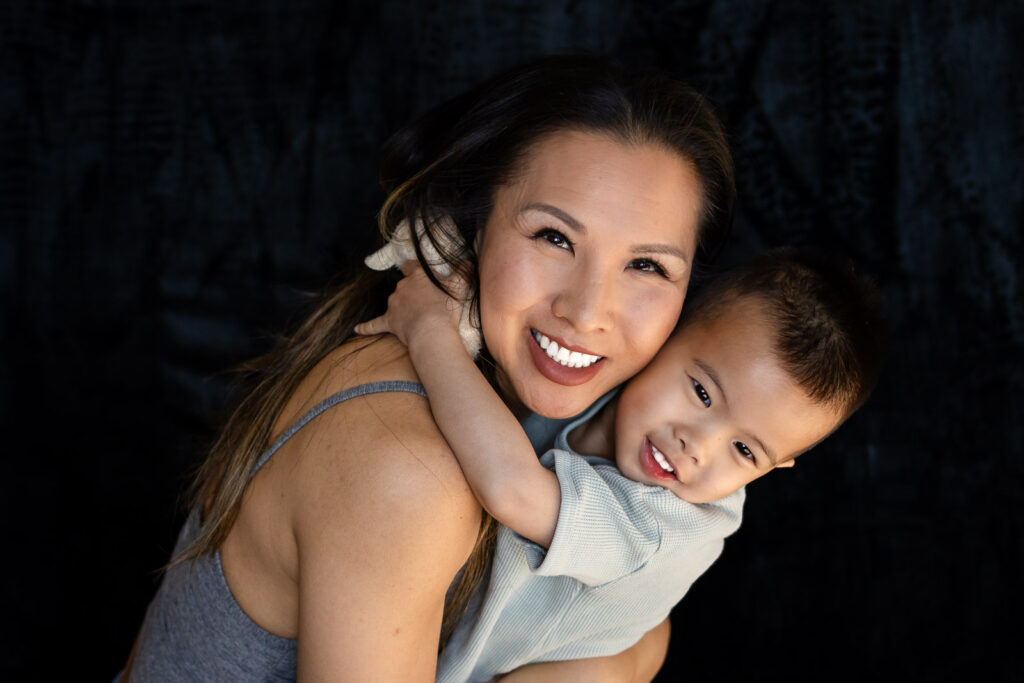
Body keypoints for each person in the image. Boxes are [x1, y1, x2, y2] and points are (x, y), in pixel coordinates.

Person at [121, 55, 735, 681]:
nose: (586, 312)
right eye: (553, 237)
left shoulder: (571, 425)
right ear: (474, 224)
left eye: (648, 267)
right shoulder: (408, 466)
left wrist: (632, 652)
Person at [355, 248, 886, 682]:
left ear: (774, 468)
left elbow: (512, 490)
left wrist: (429, 331)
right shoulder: (599, 382)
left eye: (745, 452)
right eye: (701, 392)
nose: (696, 446)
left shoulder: (667, 526)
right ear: (667, 335)